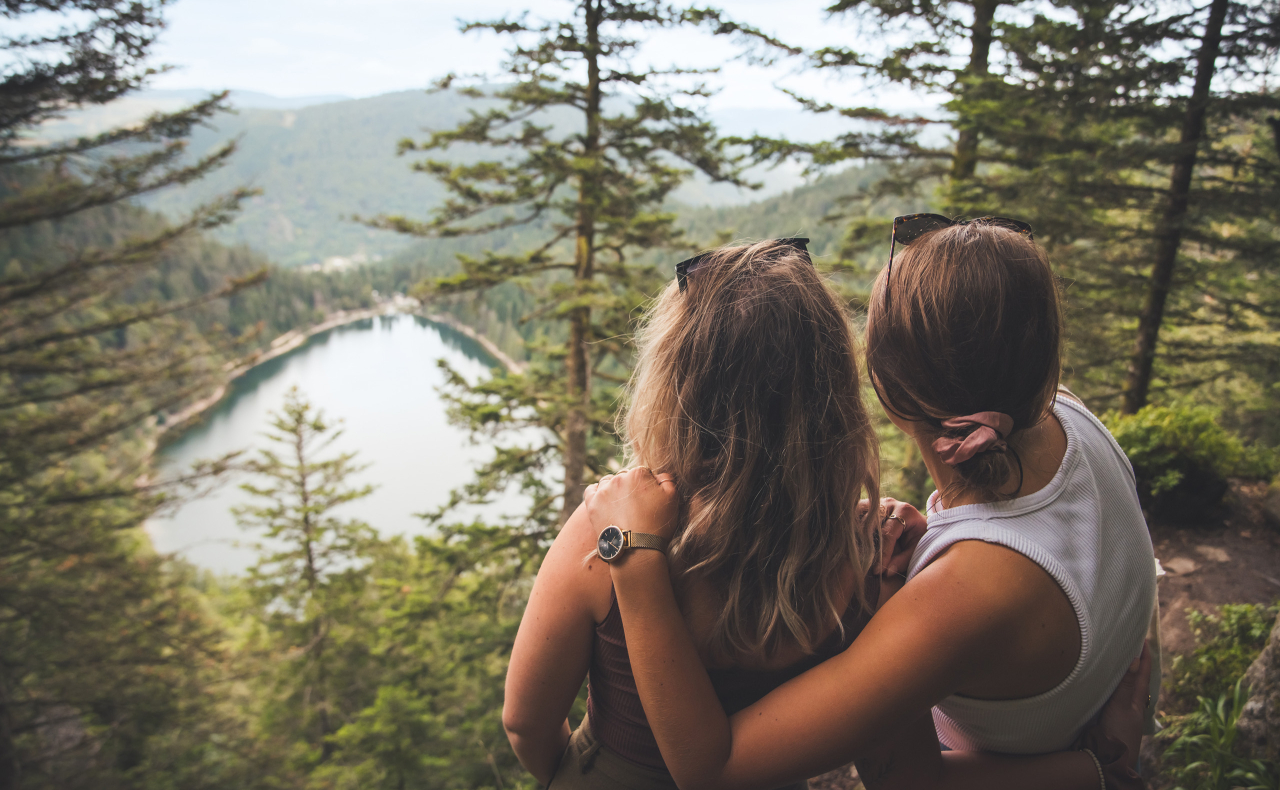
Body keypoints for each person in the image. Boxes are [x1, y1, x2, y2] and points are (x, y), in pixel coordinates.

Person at [586, 218, 1158, 790]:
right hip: (1088, 703)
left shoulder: (961, 595)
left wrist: (634, 560)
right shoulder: (1069, 417)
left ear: (884, 388)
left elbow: (714, 770)